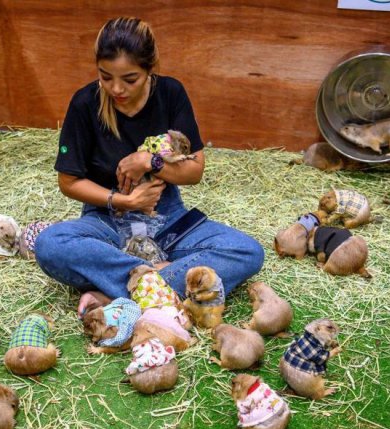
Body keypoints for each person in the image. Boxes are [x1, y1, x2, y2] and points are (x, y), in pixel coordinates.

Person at [35, 17, 264, 315]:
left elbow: (194, 171)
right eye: (105, 77)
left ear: (149, 68)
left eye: (130, 79)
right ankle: (157, 279)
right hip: (106, 221)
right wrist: (123, 200)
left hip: (167, 219)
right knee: (50, 245)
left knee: (247, 252)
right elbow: (68, 181)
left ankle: (118, 286)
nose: (116, 89)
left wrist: (149, 161)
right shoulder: (84, 103)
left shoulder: (170, 94)